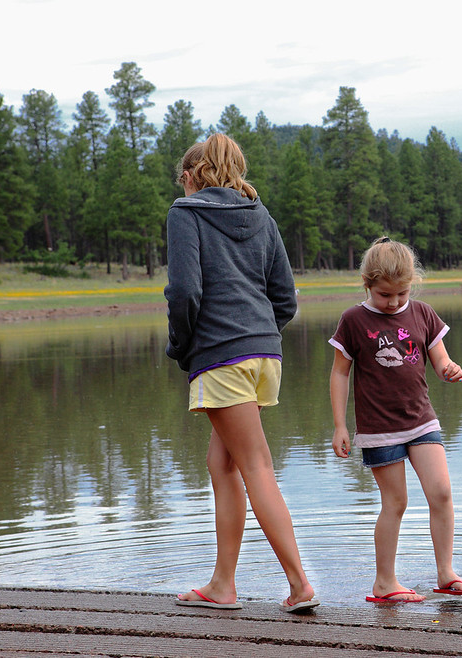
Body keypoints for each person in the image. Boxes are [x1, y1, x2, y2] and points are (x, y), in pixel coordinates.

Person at [164, 133, 318, 613]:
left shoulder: (185, 213)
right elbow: (286, 298)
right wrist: (260, 334)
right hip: (264, 356)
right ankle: (222, 585)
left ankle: (299, 585)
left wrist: (181, 346)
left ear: (190, 176)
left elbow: (185, 292)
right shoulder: (261, 214)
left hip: (222, 356)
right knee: (223, 463)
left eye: (183, 179)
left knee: (256, 467)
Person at [329, 237, 462, 603]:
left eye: (402, 294)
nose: (395, 302)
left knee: (441, 493)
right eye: (385, 295)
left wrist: (448, 369)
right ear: (367, 284)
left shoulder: (423, 313)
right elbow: (339, 374)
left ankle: (446, 573)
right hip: (379, 429)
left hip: (422, 421)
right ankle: (384, 582)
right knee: (395, 503)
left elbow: (439, 357)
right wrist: (339, 425)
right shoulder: (353, 320)